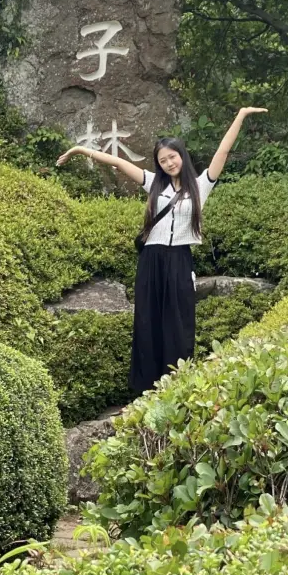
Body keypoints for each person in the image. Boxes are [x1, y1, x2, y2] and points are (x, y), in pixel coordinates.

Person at [56, 107, 267, 394]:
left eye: (172, 157)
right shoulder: (153, 183)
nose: (168, 163)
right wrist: (81, 150)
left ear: (182, 156)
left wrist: (240, 116)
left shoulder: (201, 186)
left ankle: (179, 387)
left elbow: (222, 152)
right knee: (148, 321)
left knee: (179, 323)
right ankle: (147, 389)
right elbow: (118, 162)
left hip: (180, 260)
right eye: (162, 160)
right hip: (151, 260)